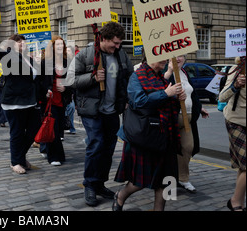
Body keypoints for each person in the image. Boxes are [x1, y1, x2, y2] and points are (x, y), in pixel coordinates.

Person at [69, 22, 133, 206]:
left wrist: (128, 98)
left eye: (120, 43)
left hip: (112, 110)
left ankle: (99, 183)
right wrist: (92, 78)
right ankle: (89, 184)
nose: (118, 47)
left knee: (108, 148)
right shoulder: (86, 54)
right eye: (114, 43)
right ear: (103, 39)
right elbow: (71, 79)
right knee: (96, 144)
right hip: (92, 110)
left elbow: (129, 77)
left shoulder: (120, 54)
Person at [113, 59, 186, 211]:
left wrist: (178, 99)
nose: (165, 63)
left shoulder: (161, 77)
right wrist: (166, 93)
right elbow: (138, 102)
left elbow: (167, 102)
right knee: (139, 181)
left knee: (167, 180)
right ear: (151, 59)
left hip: (166, 135)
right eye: (162, 60)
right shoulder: (137, 76)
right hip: (145, 136)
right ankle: (120, 196)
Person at [164, 55, 209, 193]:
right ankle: (168, 182)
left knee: (188, 147)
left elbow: (192, 94)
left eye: (181, 56)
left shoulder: (184, 72)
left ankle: (183, 178)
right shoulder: (166, 71)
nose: (178, 59)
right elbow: (160, 90)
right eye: (175, 56)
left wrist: (199, 108)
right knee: (170, 151)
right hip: (171, 119)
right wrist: (169, 73)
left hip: (187, 118)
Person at [0, 34, 44, 174]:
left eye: (23, 41)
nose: (22, 43)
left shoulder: (29, 58)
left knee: (33, 129)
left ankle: (20, 156)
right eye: (18, 41)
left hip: (29, 101)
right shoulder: (10, 57)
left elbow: (36, 78)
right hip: (14, 102)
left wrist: (38, 62)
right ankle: (15, 161)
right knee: (17, 132)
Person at [40, 36, 73, 166]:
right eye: (57, 45)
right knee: (52, 128)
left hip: (61, 99)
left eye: (61, 44)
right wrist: (45, 92)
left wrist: (65, 87)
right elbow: (39, 82)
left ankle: (51, 151)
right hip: (49, 100)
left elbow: (72, 80)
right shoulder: (45, 62)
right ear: (52, 47)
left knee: (58, 129)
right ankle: (54, 156)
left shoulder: (67, 62)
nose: (60, 47)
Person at [219, 56, 246, 211]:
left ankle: (239, 202)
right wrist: (236, 85)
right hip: (236, 122)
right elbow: (222, 96)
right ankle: (235, 201)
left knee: (244, 166)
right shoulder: (237, 70)